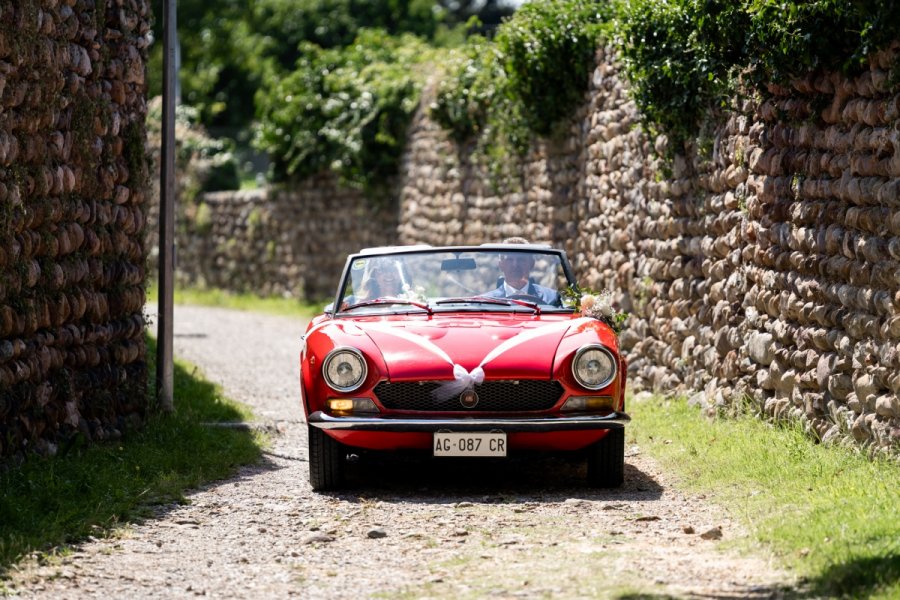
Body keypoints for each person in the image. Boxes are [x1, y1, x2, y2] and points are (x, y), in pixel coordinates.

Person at [483, 237, 561, 306]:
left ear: (531, 264)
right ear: (501, 264)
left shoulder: (550, 298)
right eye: (509, 260)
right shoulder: (486, 302)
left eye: (521, 259)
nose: (515, 265)